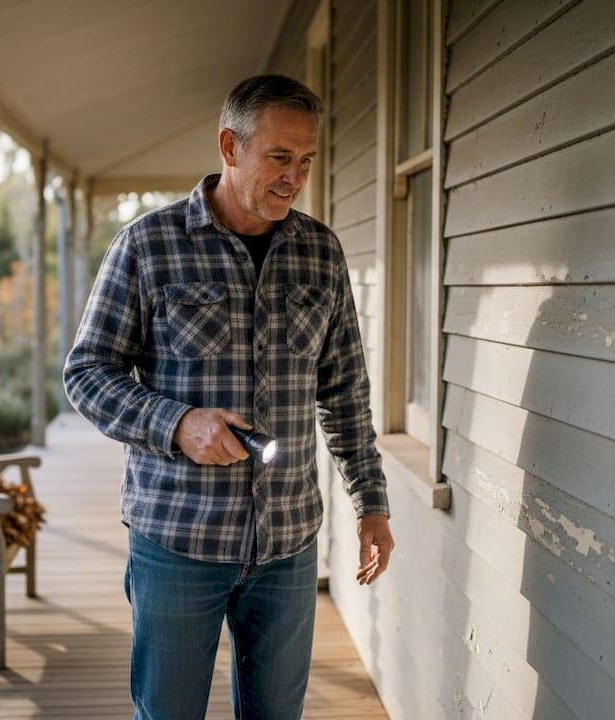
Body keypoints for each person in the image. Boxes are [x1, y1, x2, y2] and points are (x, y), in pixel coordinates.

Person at [63, 74, 394, 720]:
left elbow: (347, 392)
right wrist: (176, 421)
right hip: (177, 545)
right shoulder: (148, 246)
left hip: (288, 549)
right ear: (229, 146)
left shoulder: (321, 255)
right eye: (278, 158)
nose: (294, 178)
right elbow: (87, 373)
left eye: (305, 162)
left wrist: (372, 502)